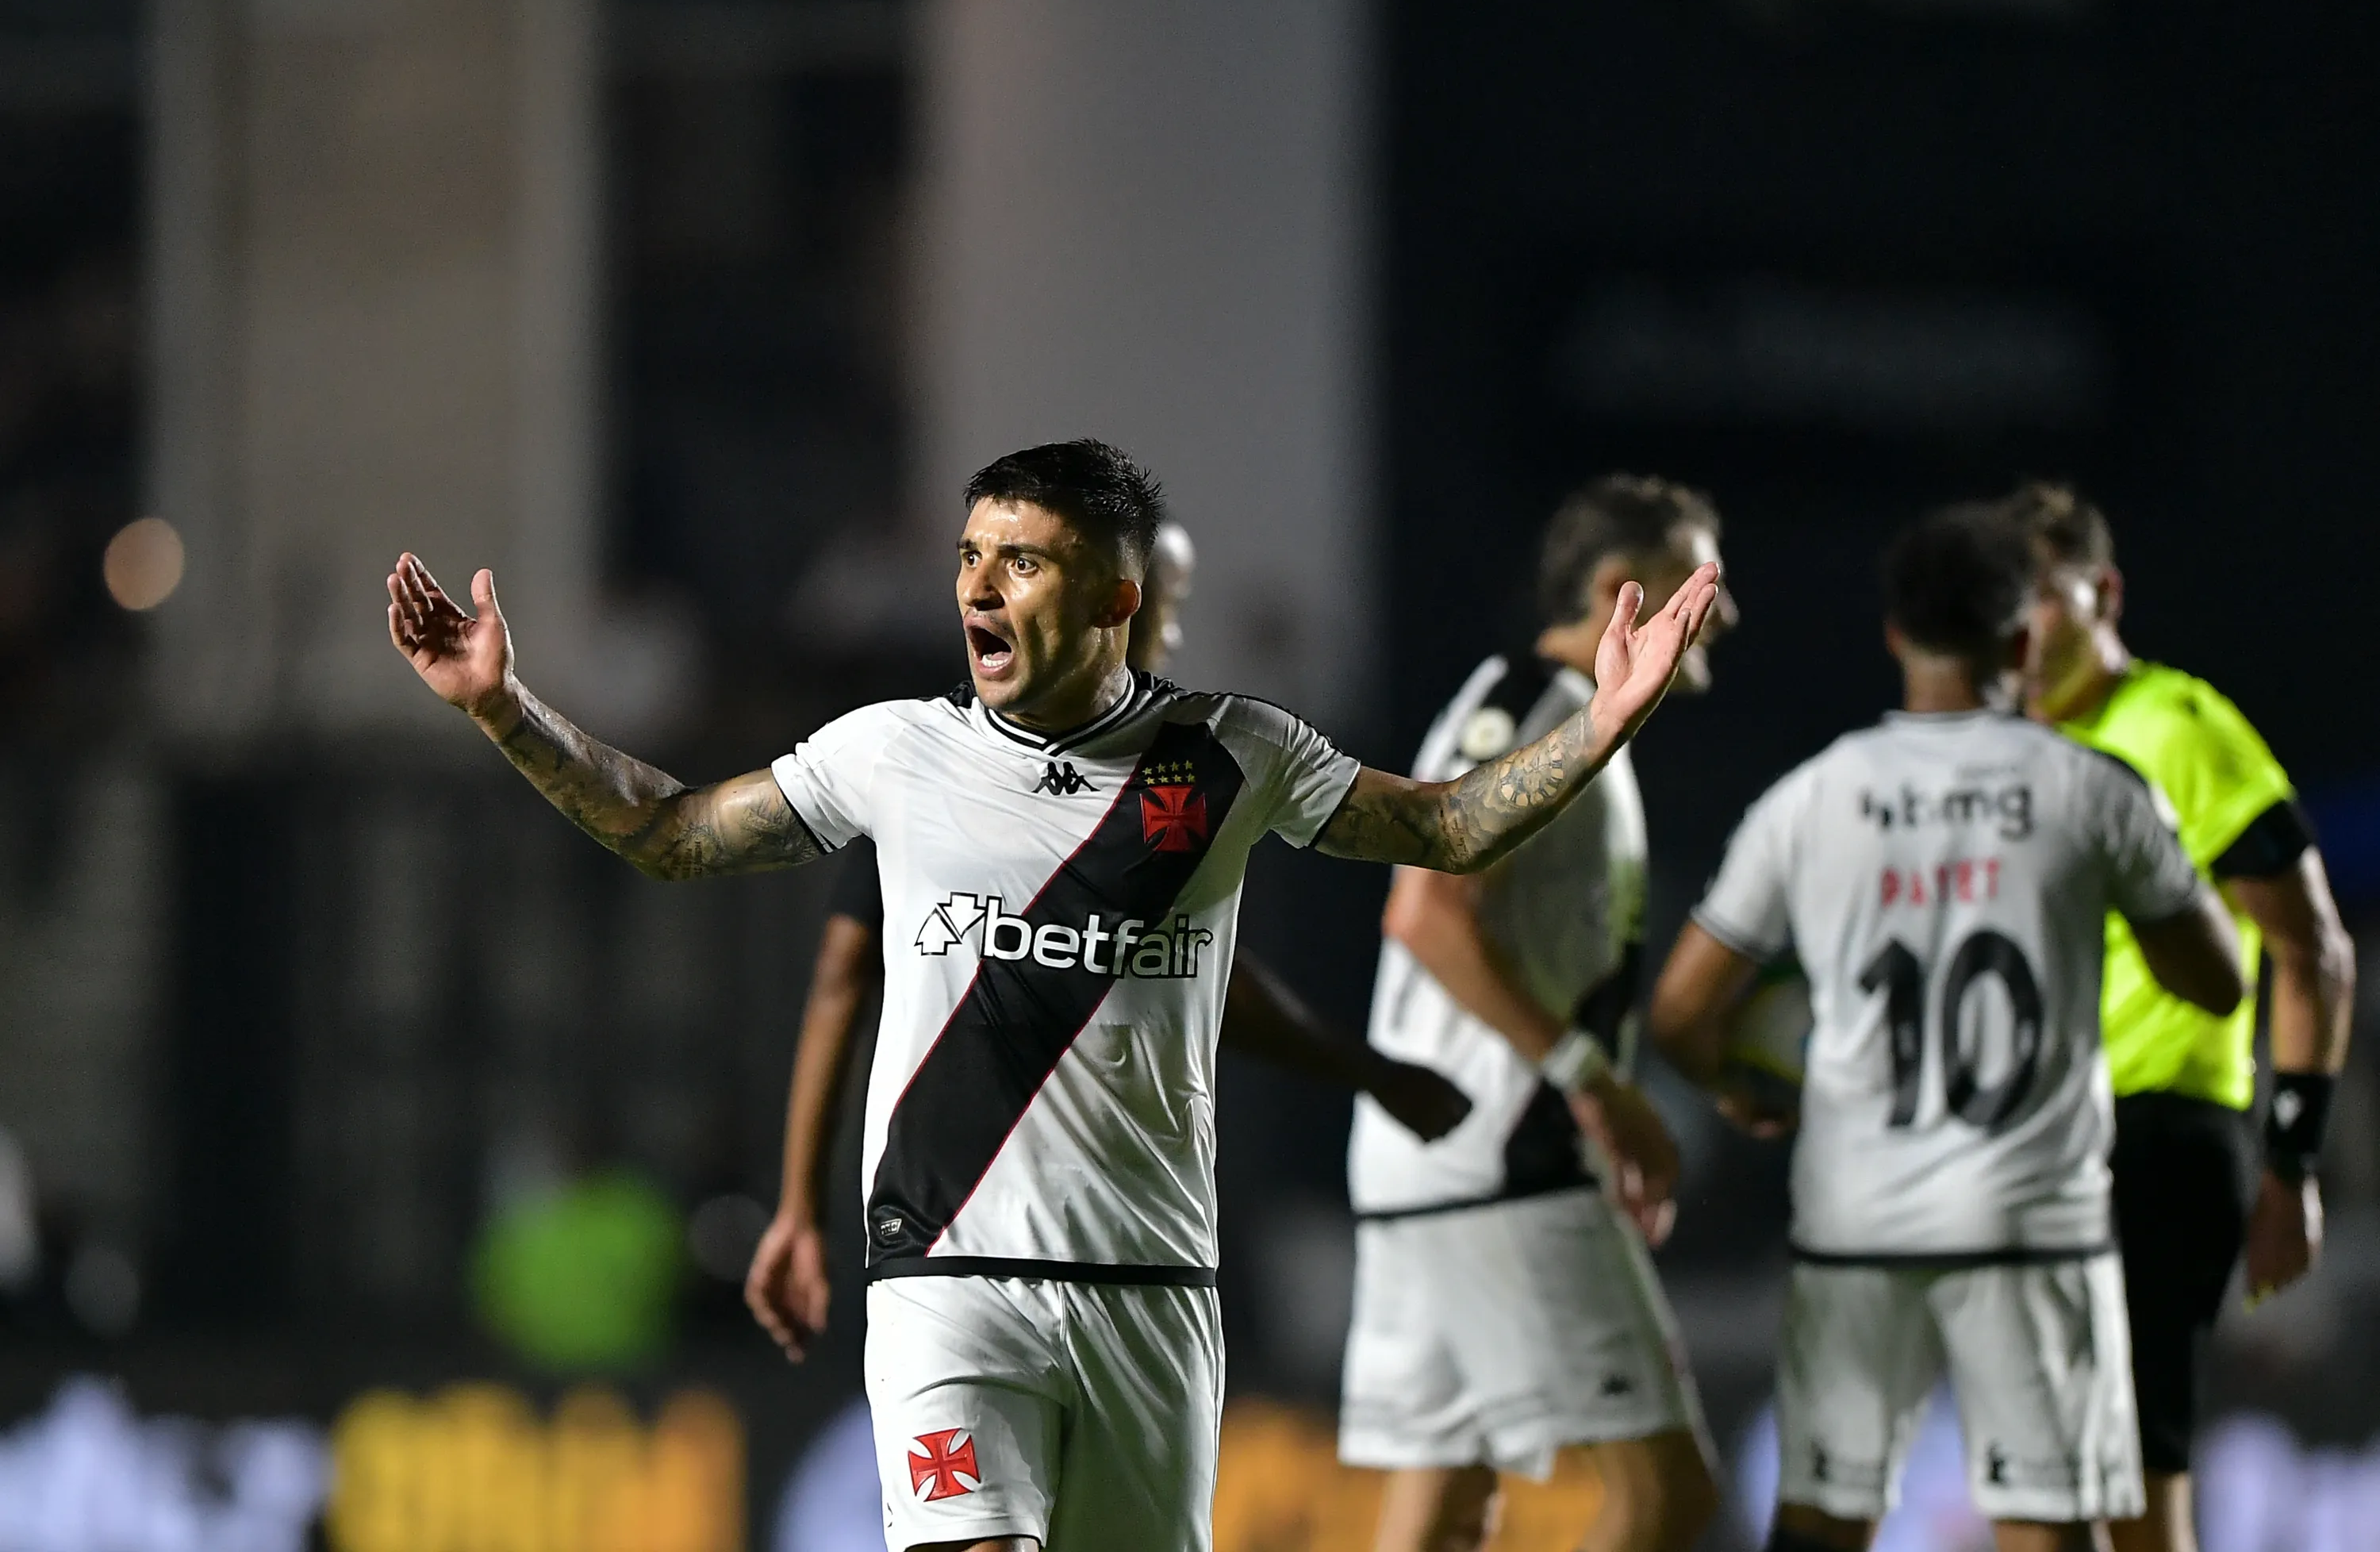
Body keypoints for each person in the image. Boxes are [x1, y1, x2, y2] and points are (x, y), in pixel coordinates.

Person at [387, 438, 1722, 1552]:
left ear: (1112, 601)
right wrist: (506, 710)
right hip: (948, 1278)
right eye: (970, 556)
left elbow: (1448, 831)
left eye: (1019, 560)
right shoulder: (893, 753)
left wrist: (1600, 727)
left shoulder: (1228, 758)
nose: (978, 586)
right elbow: (671, 831)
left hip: (1149, 1289)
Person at [752, 521, 1475, 1391]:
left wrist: (1369, 1071)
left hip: (1120, 1215)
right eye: (1156, 602)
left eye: (1169, 606)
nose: (1163, 630)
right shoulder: (947, 762)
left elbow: (1220, 983)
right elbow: (842, 975)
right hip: (991, 1221)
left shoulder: (1172, 769)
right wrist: (800, 1203)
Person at [1646, 504, 2245, 1552]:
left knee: (1821, 1523)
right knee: (2047, 1529)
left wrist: (1743, 1086)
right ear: (2023, 640)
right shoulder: (2096, 792)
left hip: (1858, 1228)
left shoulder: (1813, 799)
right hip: (2033, 1230)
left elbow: (1685, 1009)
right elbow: (2220, 981)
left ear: (1895, 638)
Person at [1337, 475, 1736, 1552]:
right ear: (1619, 591)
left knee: (1449, 1512)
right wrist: (1593, 1082)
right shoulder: (1541, 706)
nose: (1724, 610)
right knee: (1668, 1494)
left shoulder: (1530, 708)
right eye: (1698, 576)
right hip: (1501, 1155)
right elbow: (1425, 914)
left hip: (1431, 1160)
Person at [2002, 482, 2355, 1552]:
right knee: (2036, 1480)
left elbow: (2313, 949)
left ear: (2104, 593)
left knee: (2129, 1483)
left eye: (2044, 598)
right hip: (2029, 1144)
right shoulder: (1992, 754)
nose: (2020, 629)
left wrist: (2291, 1167)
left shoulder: (2179, 729)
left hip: (2154, 1136)